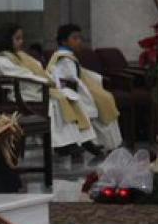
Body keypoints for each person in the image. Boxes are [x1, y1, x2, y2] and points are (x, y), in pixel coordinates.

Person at [0, 23, 96, 156]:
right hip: (22, 93)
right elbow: (22, 75)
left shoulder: (20, 55)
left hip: (34, 89)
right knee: (56, 102)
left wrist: (46, 80)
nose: (21, 42)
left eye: (22, 38)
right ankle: (62, 144)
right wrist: (45, 81)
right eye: (17, 39)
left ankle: (82, 140)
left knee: (70, 96)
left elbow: (37, 67)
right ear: (6, 40)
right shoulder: (3, 59)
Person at [46, 24, 122, 152]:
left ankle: (102, 143)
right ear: (64, 41)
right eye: (75, 38)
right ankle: (107, 144)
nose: (79, 41)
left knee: (105, 98)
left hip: (75, 89)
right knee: (101, 102)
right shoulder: (64, 58)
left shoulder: (67, 55)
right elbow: (67, 80)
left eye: (80, 38)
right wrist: (89, 93)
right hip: (69, 92)